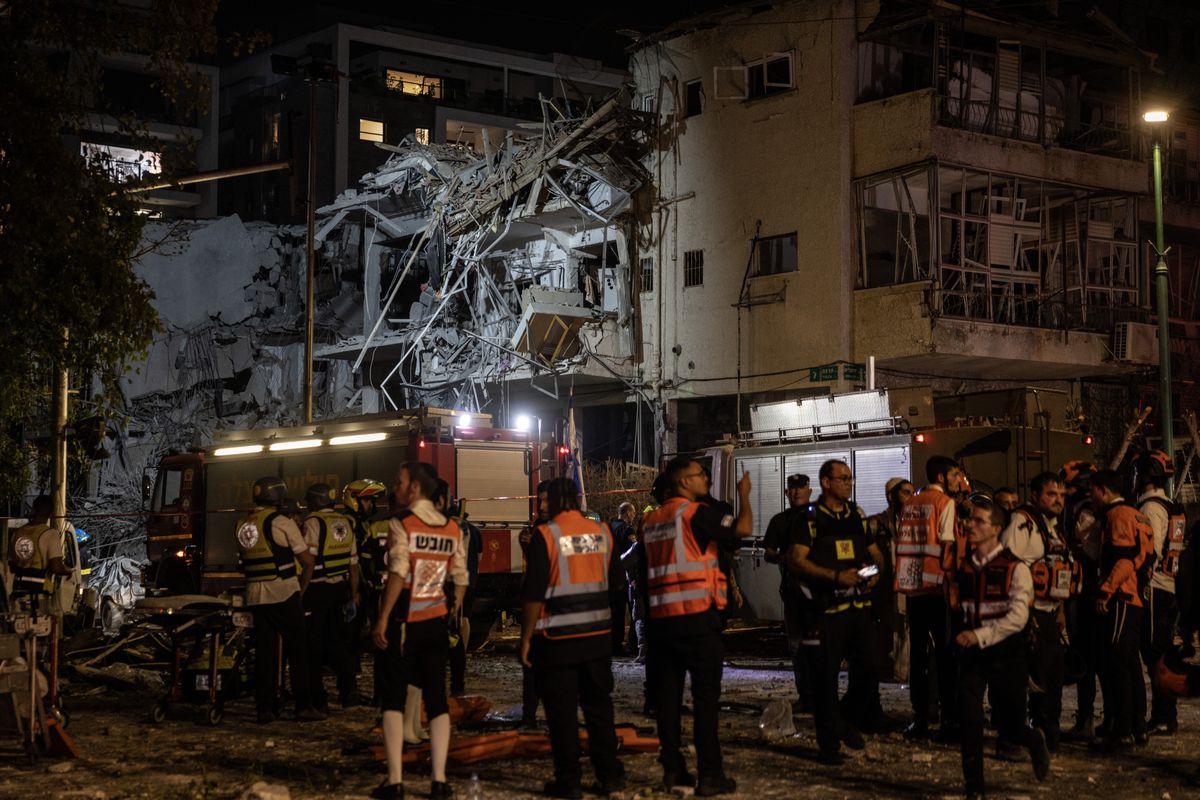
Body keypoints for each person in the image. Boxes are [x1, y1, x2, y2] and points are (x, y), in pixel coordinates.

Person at [638, 456, 752, 796]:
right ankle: (710, 774)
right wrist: (744, 495)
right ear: (683, 482)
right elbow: (742, 530)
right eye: (700, 475)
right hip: (698, 619)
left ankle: (673, 771)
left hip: (662, 622)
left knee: (668, 702)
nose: (705, 479)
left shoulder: (651, 521)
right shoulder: (694, 514)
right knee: (705, 701)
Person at [519, 478, 626, 799]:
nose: (540, 507)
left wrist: (525, 639)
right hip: (597, 638)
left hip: (558, 640)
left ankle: (569, 781)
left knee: (562, 714)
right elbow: (616, 582)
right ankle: (609, 776)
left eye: (545, 501)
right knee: (599, 709)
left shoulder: (546, 535)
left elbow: (534, 593)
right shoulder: (602, 532)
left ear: (561, 500)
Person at [372, 462, 468, 800]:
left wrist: (383, 618)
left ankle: (395, 782)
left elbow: (398, 573)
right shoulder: (452, 528)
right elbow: (459, 577)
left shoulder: (402, 524)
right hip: (437, 624)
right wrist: (452, 611)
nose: (394, 488)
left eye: (399, 482)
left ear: (415, 488)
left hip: (405, 624)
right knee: (437, 700)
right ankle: (439, 781)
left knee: (394, 701)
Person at [787, 460, 885, 764]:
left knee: (871, 667)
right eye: (842, 478)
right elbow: (796, 560)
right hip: (826, 611)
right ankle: (828, 743)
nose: (849, 483)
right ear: (826, 483)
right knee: (825, 678)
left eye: (850, 478)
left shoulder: (857, 515)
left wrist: (873, 574)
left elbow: (875, 555)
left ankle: (844, 721)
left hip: (859, 607)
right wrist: (834, 577)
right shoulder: (810, 520)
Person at [953, 493, 1050, 799]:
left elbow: (1018, 617)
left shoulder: (1015, 568)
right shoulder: (965, 567)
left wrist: (980, 635)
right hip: (972, 657)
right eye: (970, 519)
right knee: (969, 722)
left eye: (979, 521)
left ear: (995, 529)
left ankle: (1034, 740)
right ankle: (975, 788)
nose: (971, 525)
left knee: (1010, 727)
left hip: (1007, 655)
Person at [235, 477, 322, 724]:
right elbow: (307, 562)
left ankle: (265, 708)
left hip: (255, 595)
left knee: (265, 653)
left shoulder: (242, 524)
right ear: (278, 498)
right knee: (298, 649)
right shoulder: (281, 523)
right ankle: (303, 706)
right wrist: (301, 591)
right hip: (283, 592)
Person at [1000, 472, 1074, 752]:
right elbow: (1007, 564)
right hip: (1028, 615)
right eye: (1051, 495)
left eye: (1062, 496)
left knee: (1052, 682)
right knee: (1029, 682)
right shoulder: (1023, 521)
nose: (1058, 501)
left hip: (1050, 614)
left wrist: (1061, 609)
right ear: (1034, 495)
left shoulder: (1051, 526)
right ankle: (1016, 738)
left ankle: (1047, 735)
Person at [895, 455, 968, 740]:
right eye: (954, 476)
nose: (957, 481)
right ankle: (949, 719)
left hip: (914, 588)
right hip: (938, 587)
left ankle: (920, 718)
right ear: (941, 478)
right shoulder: (944, 504)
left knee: (918, 657)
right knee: (946, 656)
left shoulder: (910, 503)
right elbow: (948, 545)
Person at [1090, 468, 1154, 751]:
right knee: (1130, 665)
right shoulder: (1138, 514)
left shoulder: (1117, 517)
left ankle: (1123, 730)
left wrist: (1106, 591)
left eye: (1093, 490)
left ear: (1103, 490)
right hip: (1136, 596)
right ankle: (1137, 728)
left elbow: (1124, 559)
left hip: (1122, 597)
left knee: (1118, 664)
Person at [1135, 450, 1185, 736]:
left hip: (1155, 586)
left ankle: (1164, 715)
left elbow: (1148, 552)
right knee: (1161, 652)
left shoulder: (1150, 508)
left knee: (1156, 655)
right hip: (1167, 585)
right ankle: (1166, 714)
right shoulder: (1168, 503)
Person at [302, 482, 361, 710]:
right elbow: (353, 567)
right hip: (340, 590)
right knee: (337, 642)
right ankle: (349, 690)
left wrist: (301, 592)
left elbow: (309, 562)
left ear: (315, 501)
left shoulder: (312, 523)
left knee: (313, 645)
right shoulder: (345, 523)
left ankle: (318, 697)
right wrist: (353, 595)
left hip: (316, 590)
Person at [763, 474, 817, 712]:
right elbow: (768, 552)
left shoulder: (819, 517)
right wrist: (783, 557)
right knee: (796, 645)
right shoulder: (780, 521)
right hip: (793, 590)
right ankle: (806, 696)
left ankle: (822, 695)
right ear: (786, 493)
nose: (796, 493)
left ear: (809, 491)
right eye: (792, 489)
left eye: (800, 488)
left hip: (819, 590)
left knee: (821, 645)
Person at [1060, 460, 1101, 740]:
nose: (1064, 491)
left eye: (1068, 486)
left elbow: (1084, 549)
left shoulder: (1086, 511)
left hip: (1086, 591)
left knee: (1086, 657)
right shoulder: (1081, 508)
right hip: (1082, 589)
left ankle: (1087, 718)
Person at [866, 478, 912, 681]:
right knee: (886, 630)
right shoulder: (876, 523)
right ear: (890, 496)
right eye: (905, 493)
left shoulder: (915, 522)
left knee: (905, 629)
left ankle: (902, 672)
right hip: (884, 587)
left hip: (907, 586)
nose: (911, 498)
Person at [519, 480, 553, 727]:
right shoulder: (539, 526)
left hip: (558, 610)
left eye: (545, 500)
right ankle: (529, 716)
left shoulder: (556, 529)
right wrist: (525, 545)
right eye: (538, 500)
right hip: (542, 610)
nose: (540, 506)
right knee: (531, 669)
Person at [8, 495, 70, 604]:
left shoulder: (17, 533)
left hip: (18, 589)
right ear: (50, 513)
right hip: (40, 593)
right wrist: (68, 572)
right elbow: (56, 567)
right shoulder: (50, 534)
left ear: (34, 509)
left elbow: (12, 563)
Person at [607, 502, 637, 656]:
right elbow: (632, 556)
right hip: (624, 578)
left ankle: (611, 644)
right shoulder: (627, 530)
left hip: (607, 577)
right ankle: (625, 645)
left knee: (612, 613)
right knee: (629, 612)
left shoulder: (607, 527)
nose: (633, 517)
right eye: (632, 513)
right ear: (626, 513)